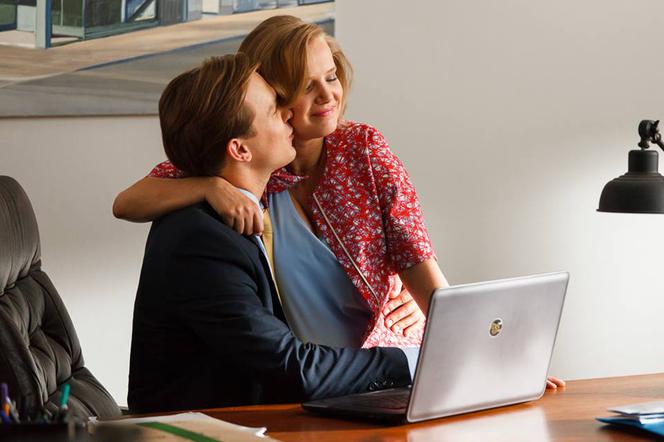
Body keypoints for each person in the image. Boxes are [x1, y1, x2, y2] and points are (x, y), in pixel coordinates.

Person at [119, 17, 564, 389]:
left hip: (376, 364)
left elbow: (420, 266)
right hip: (306, 375)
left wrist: (492, 359)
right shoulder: (238, 166)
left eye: (330, 77)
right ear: (273, 97)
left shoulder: (362, 151)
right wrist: (205, 188)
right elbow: (128, 202)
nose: (328, 95)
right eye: (302, 86)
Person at [128, 54, 414, 413]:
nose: (289, 114)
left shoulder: (241, 215)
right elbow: (292, 367)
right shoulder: (199, 239)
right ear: (240, 149)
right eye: (275, 109)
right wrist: (410, 362)